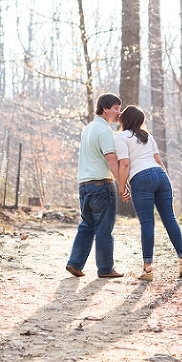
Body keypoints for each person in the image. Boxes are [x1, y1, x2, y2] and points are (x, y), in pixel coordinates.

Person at [115, 105, 182, 281]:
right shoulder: (148, 136)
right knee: (170, 219)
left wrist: (122, 187)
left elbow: (124, 164)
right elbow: (158, 161)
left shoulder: (121, 137)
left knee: (147, 223)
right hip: (161, 176)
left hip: (141, 178)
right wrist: (167, 182)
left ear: (126, 119)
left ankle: (148, 268)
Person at [65, 93, 125, 279]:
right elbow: (111, 159)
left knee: (87, 225)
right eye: (116, 108)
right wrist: (122, 184)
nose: (119, 112)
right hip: (101, 186)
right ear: (105, 109)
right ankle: (106, 269)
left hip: (84, 186)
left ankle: (75, 263)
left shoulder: (89, 128)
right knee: (104, 228)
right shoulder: (105, 131)